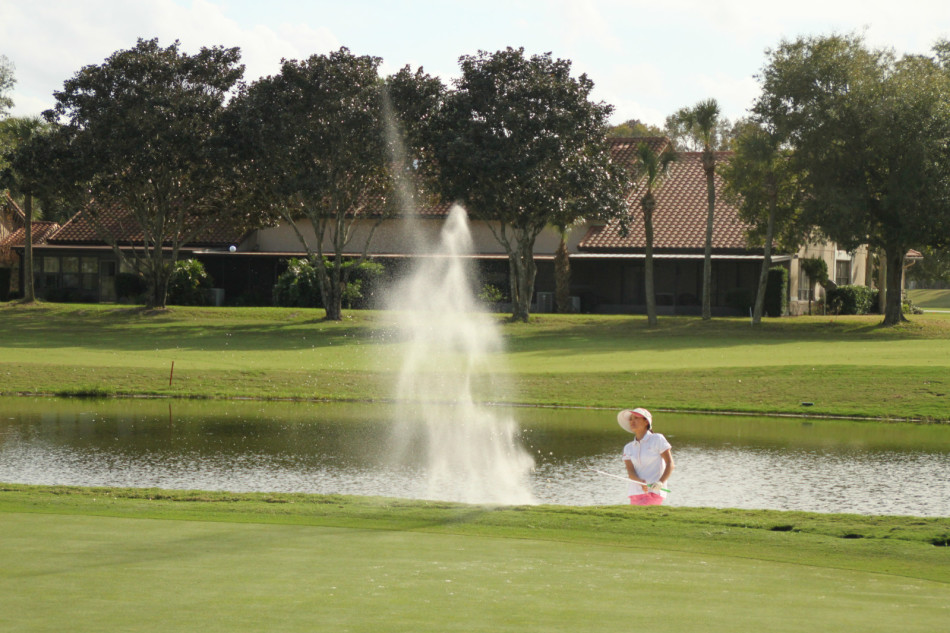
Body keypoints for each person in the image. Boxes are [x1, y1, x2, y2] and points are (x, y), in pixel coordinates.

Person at [617, 407, 674, 505]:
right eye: (631, 419)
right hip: (635, 493)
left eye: (636, 418)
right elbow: (631, 472)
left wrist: (660, 482)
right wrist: (640, 481)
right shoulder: (628, 447)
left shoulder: (657, 439)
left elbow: (670, 464)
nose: (632, 421)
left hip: (654, 492)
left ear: (646, 422)